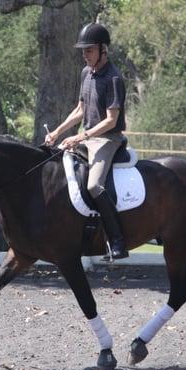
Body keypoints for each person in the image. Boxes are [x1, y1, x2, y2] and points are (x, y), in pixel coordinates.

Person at [45, 22, 128, 259]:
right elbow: (80, 109)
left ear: (103, 50)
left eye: (89, 50)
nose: (84, 55)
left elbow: (112, 121)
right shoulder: (86, 73)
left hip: (107, 140)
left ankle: (117, 240)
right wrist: (58, 132)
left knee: (94, 186)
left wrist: (80, 136)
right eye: (83, 51)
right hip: (87, 137)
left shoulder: (113, 78)